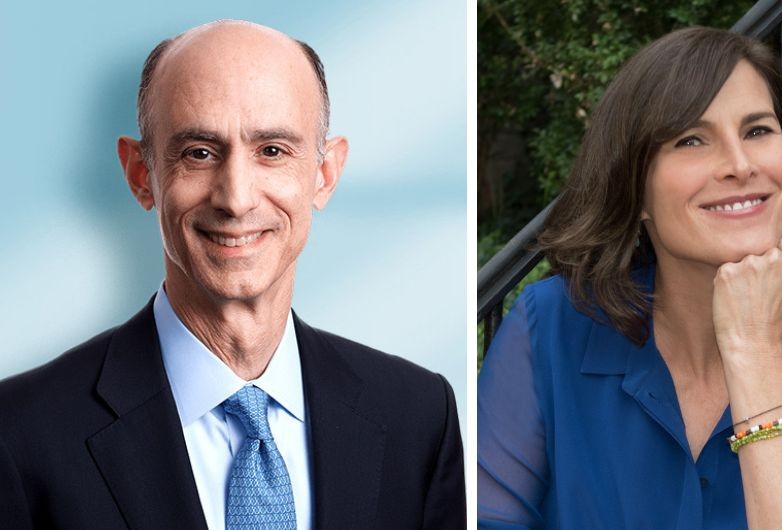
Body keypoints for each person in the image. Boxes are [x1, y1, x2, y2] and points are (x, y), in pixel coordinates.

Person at [0, 20, 464, 529]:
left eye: (272, 151)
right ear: (141, 175)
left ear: (325, 174)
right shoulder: (20, 434)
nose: (237, 198)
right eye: (199, 153)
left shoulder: (419, 417)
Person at [478, 27, 782, 529]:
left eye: (758, 130)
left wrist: (754, 353)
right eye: (691, 140)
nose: (740, 165)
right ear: (635, 190)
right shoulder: (550, 326)